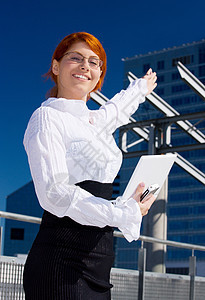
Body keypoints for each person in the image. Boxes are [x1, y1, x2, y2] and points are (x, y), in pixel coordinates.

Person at [23, 32, 157, 300]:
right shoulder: (47, 118)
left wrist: (140, 88)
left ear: (99, 75)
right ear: (56, 66)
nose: (86, 66)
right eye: (76, 58)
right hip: (60, 261)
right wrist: (122, 213)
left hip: (99, 262)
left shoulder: (94, 123)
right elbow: (54, 193)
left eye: (94, 62)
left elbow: (117, 109)